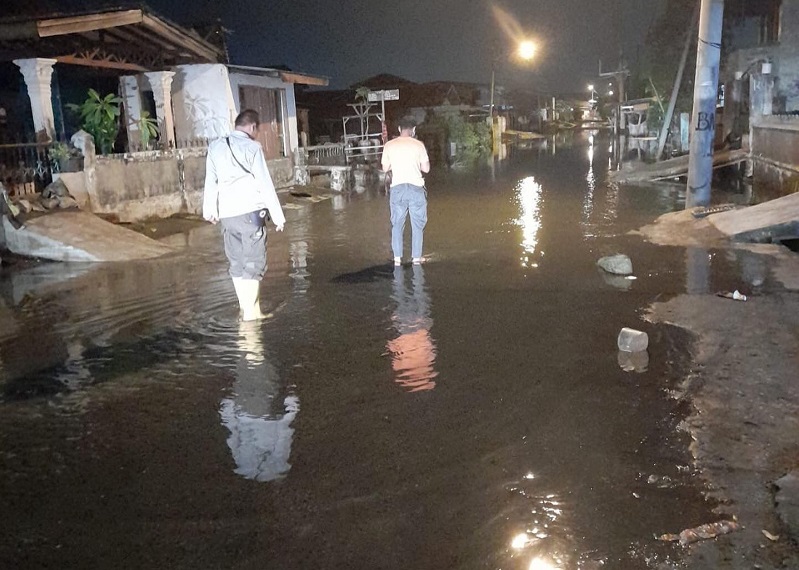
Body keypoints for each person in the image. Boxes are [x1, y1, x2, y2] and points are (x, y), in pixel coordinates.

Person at [203, 109, 286, 321]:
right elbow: (264, 183)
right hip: (251, 213)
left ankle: (244, 309)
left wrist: (209, 210)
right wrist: (277, 216)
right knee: (253, 263)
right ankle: (252, 314)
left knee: (237, 263)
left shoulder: (215, 147)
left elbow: (210, 181)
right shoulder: (252, 148)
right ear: (252, 127)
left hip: (227, 215)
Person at [381, 116, 430, 265]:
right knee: (417, 224)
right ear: (413, 130)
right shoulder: (419, 145)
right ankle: (416, 258)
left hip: (397, 189)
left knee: (397, 224)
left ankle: (397, 259)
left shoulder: (389, 145)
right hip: (416, 188)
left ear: (399, 129)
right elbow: (426, 169)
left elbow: (385, 168)